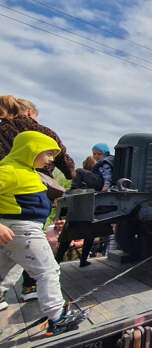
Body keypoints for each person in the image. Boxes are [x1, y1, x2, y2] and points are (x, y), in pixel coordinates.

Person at [0, 131, 87, 335]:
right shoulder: (9, 171)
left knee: (7, 271)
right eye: (47, 154)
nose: (50, 160)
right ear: (31, 150)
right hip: (23, 229)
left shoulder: (25, 170)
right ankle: (58, 316)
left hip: (18, 230)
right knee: (48, 270)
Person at [0, 96, 76, 303]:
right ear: (31, 113)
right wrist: (70, 176)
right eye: (48, 154)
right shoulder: (41, 132)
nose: (50, 157)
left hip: (6, 204)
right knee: (45, 266)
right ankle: (41, 297)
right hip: (29, 196)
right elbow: (67, 166)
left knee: (11, 254)